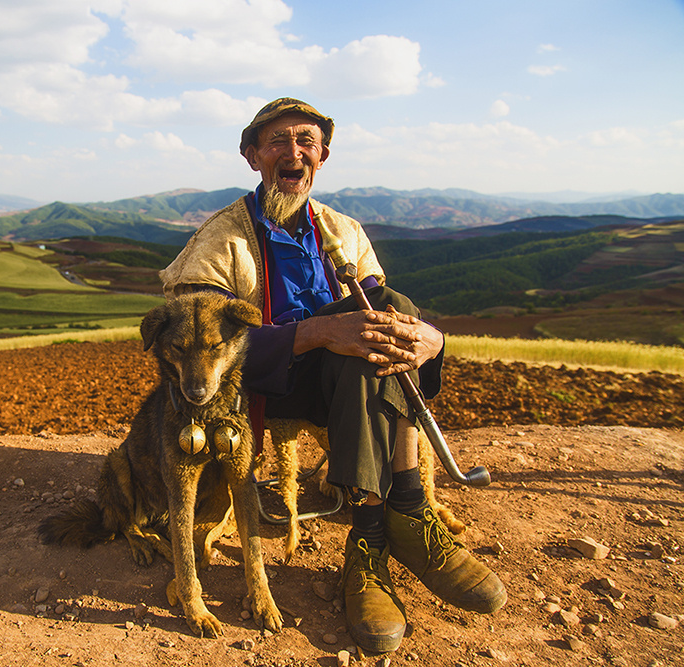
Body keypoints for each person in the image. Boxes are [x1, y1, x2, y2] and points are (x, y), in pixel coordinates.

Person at [160, 98, 506, 654]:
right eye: (276, 141)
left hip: (342, 384)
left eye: (305, 141)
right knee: (365, 329)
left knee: (384, 311)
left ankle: (381, 533)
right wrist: (318, 334)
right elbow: (202, 341)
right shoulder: (220, 238)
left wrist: (433, 339)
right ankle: (396, 521)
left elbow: (382, 320)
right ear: (252, 157)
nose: (292, 152)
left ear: (321, 155)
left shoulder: (343, 230)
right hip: (253, 387)